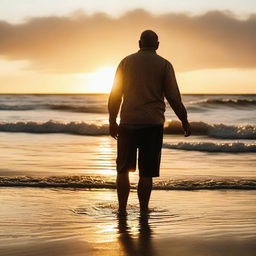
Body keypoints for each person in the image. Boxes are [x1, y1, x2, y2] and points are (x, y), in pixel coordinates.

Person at [108, 30, 191, 215]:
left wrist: (112, 120)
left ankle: (122, 210)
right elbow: (173, 97)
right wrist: (184, 120)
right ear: (157, 45)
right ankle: (144, 211)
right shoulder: (164, 65)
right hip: (152, 124)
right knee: (146, 172)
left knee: (122, 170)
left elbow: (115, 94)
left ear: (139, 43)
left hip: (128, 122)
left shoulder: (126, 62)